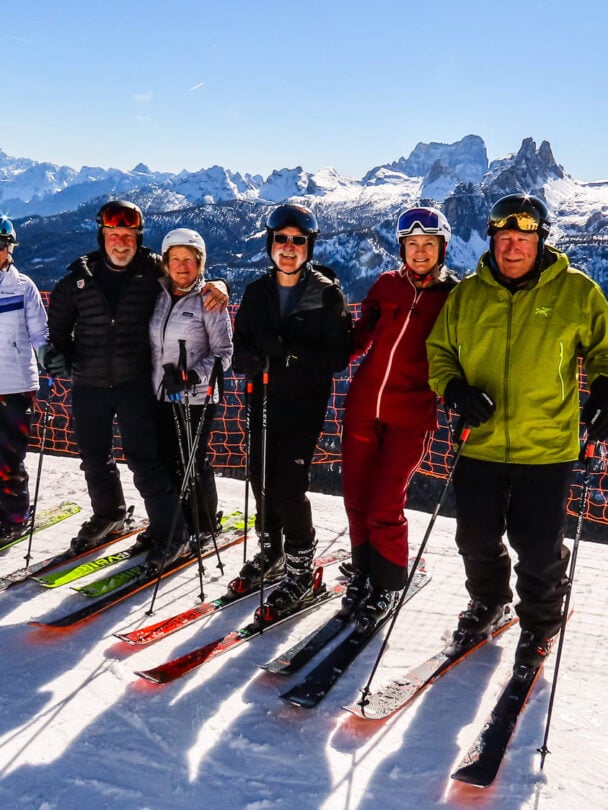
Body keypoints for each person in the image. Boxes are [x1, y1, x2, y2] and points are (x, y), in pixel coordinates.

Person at [426, 192, 608, 676]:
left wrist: (605, 386)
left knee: (538, 545)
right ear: (491, 240)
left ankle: (540, 624)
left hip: (546, 446)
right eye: (504, 237)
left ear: (540, 240)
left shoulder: (576, 291)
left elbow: (604, 349)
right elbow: (439, 352)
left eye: (523, 238)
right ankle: (489, 601)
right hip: (480, 441)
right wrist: (454, 390)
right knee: (474, 536)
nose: (512, 247)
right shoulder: (468, 294)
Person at [43, 200, 228, 568]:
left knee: (145, 461)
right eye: (114, 234)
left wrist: (221, 284)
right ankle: (109, 513)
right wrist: (54, 355)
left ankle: (173, 531)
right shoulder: (77, 280)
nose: (121, 242)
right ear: (102, 236)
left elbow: (190, 277)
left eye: (128, 235)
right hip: (88, 383)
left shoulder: (152, 269)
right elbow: (58, 331)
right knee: (94, 458)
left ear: (138, 238)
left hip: (135, 383)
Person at [230, 203, 352, 617]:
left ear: (308, 247)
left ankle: (301, 570)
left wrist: (289, 352)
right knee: (259, 475)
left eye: (298, 241)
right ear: (270, 243)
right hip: (262, 398)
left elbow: (338, 356)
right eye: (281, 239)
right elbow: (240, 343)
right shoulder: (257, 291)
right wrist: (248, 358)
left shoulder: (327, 295)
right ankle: (272, 551)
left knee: (287, 485)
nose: (288, 247)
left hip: (303, 404)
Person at [341, 207, 458, 632]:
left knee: (385, 504)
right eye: (412, 244)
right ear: (402, 247)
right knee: (355, 499)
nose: (419, 252)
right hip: (363, 406)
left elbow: (460, 351)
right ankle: (363, 572)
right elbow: (362, 334)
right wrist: (329, 351)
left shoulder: (454, 296)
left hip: (410, 414)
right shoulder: (387, 284)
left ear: (442, 248)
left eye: (428, 244)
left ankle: (389, 583)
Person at [148, 227, 233, 562]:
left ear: (200, 263)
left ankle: (204, 523)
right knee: (165, 460)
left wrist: (191, 375)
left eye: (189, 260)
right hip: (160, 392)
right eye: (175, 259)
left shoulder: (210, 301)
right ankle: (174, 522)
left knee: (191, 462)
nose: (182, 266)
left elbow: (224, 353)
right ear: (165, 262)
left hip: (196, 396)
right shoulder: (157, 294)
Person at [0, 217, 49, 543]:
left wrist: (48, 356)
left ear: (9, 248)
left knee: (8, 457)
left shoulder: (22, 286)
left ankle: (15, 519)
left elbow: (40, 332)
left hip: (15, 384)